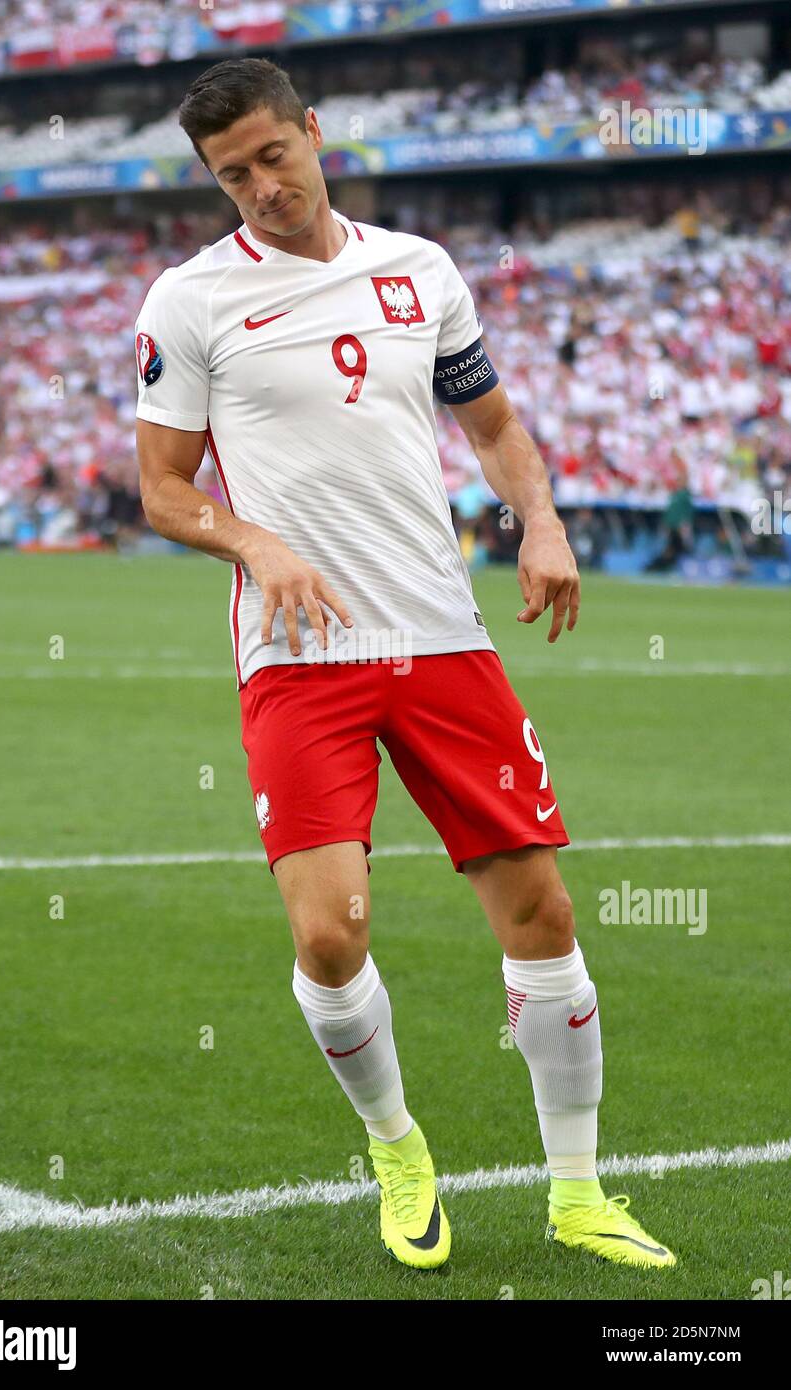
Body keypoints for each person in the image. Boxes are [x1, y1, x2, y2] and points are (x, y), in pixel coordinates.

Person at [135, 57, 675, 1272]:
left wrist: (536, 519)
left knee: (538, 908)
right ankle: (395, 1145)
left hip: (441, 638)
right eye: (233, 175)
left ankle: (576, 1190)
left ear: (314, 133)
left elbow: (491, 427)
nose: (262, 188)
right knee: (329, 939)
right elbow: (163, 490)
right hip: (300, 656)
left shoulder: (418, 270)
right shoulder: (190, 300)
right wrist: (253, 539)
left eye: (275, 156)